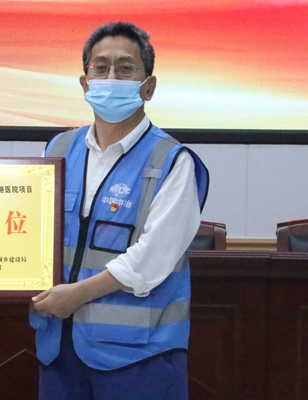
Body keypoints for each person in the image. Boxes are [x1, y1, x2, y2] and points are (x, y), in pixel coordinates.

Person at [30, 22, 209, 400]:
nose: (111, 77)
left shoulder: (171, 160)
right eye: (101, 68)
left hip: (139, 356)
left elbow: (153, 258)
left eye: (125, 68)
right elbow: (30, 232)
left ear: (149, 87)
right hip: (59, 347)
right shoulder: (57, 149)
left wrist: (76, 295)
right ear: (85, 83)